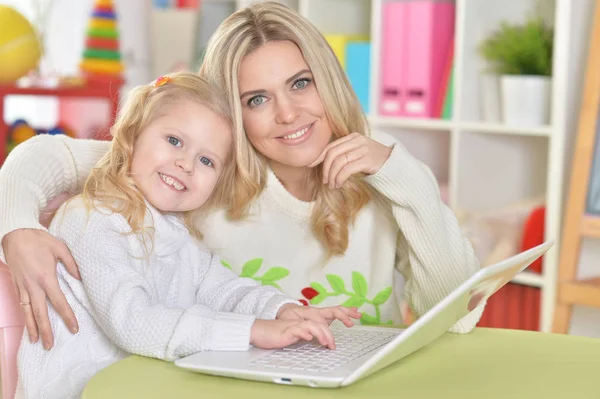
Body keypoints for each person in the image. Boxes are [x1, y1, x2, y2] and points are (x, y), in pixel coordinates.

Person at [0, 1, 484, 348]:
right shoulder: (199, 176)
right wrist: (17, 228)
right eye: (258, 99)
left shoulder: (384, 181)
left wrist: (407, 179)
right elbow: (46, 157)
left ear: (329, 82)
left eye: (301, 84)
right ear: (232, 114)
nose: (289, 114)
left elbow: (458, 318)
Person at [10, 72, 360, 399]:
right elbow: (133, 321)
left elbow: (222, 288)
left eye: (207, 161)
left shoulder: (176, 229)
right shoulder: (90, 219)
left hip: (144, 378)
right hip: (78, 386)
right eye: (174, 140)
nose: (187, 164)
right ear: (132, 137)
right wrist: (252, 330)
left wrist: (281, 310)